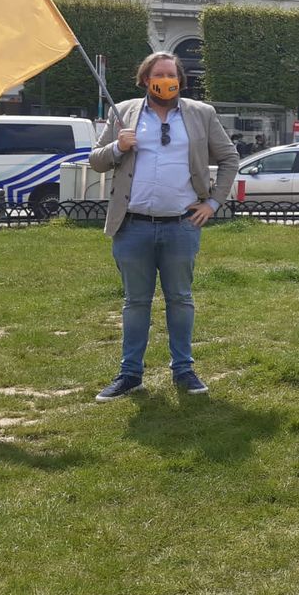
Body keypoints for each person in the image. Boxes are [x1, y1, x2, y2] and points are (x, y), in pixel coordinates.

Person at [88, 52, 240, 401]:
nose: (166, 80)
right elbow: (95, 161)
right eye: (159, 74)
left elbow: (230, 158)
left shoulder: (201, 114)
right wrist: (117, 146)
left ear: (180, 80)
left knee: (181, 300)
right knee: (135, 302)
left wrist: (213, 202)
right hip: (132, 226)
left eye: (172, 74)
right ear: (145, 79)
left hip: (181, 226)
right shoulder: (122, 112)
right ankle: (130, 375)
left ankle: (183, 370)